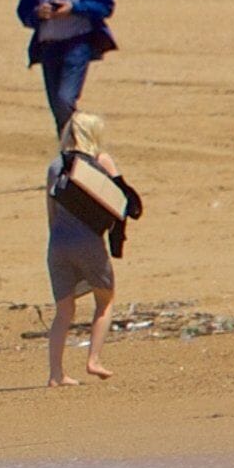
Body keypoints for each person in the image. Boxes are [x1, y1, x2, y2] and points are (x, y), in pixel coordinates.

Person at [44, 111, 142, 388]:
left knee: (63, 311)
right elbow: (127, 203)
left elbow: (50, 211)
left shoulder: (55, 165)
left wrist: (58, 239)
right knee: (105, 301)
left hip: (58, 243)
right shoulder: (101, 161)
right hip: (88, 242)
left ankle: (55, 374)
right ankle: (94, 360)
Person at [15, 0, 116, 128]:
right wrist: (38, 13)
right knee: (57, 106)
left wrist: (74, 8)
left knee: (65, 98)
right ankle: (71, 146)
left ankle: (83, 136)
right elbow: (23, 11)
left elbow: (105, 5)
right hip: (49, 47)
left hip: (77, 45)